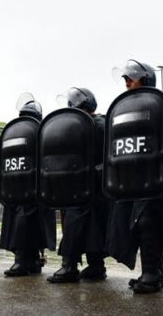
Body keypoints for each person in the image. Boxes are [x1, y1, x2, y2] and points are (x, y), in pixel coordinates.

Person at [105, 60, 163, 293]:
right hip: (134, 180)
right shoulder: (126, 108)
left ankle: (152, 274)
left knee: (150, 223)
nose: (127, 82)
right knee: (140, 225)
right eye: (126, 79)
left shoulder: (159, 105)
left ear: (147, 79)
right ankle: (151, 272)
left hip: (157, 178)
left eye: (132, 78)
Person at [47, 88, 109, 283]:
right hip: (87, 183)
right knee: (92, 225)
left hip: (88, 184)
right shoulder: (97, 122)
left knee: (79, 224)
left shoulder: (96, 123)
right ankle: (95, 266)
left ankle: (70, 266)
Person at [0, 97, 57, 276]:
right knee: (22, 221)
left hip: (36, 187)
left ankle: (30, 260)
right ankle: (23, 260)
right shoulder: (17, 133)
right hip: (18, 186)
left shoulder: (43, 132)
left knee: (32, 223)